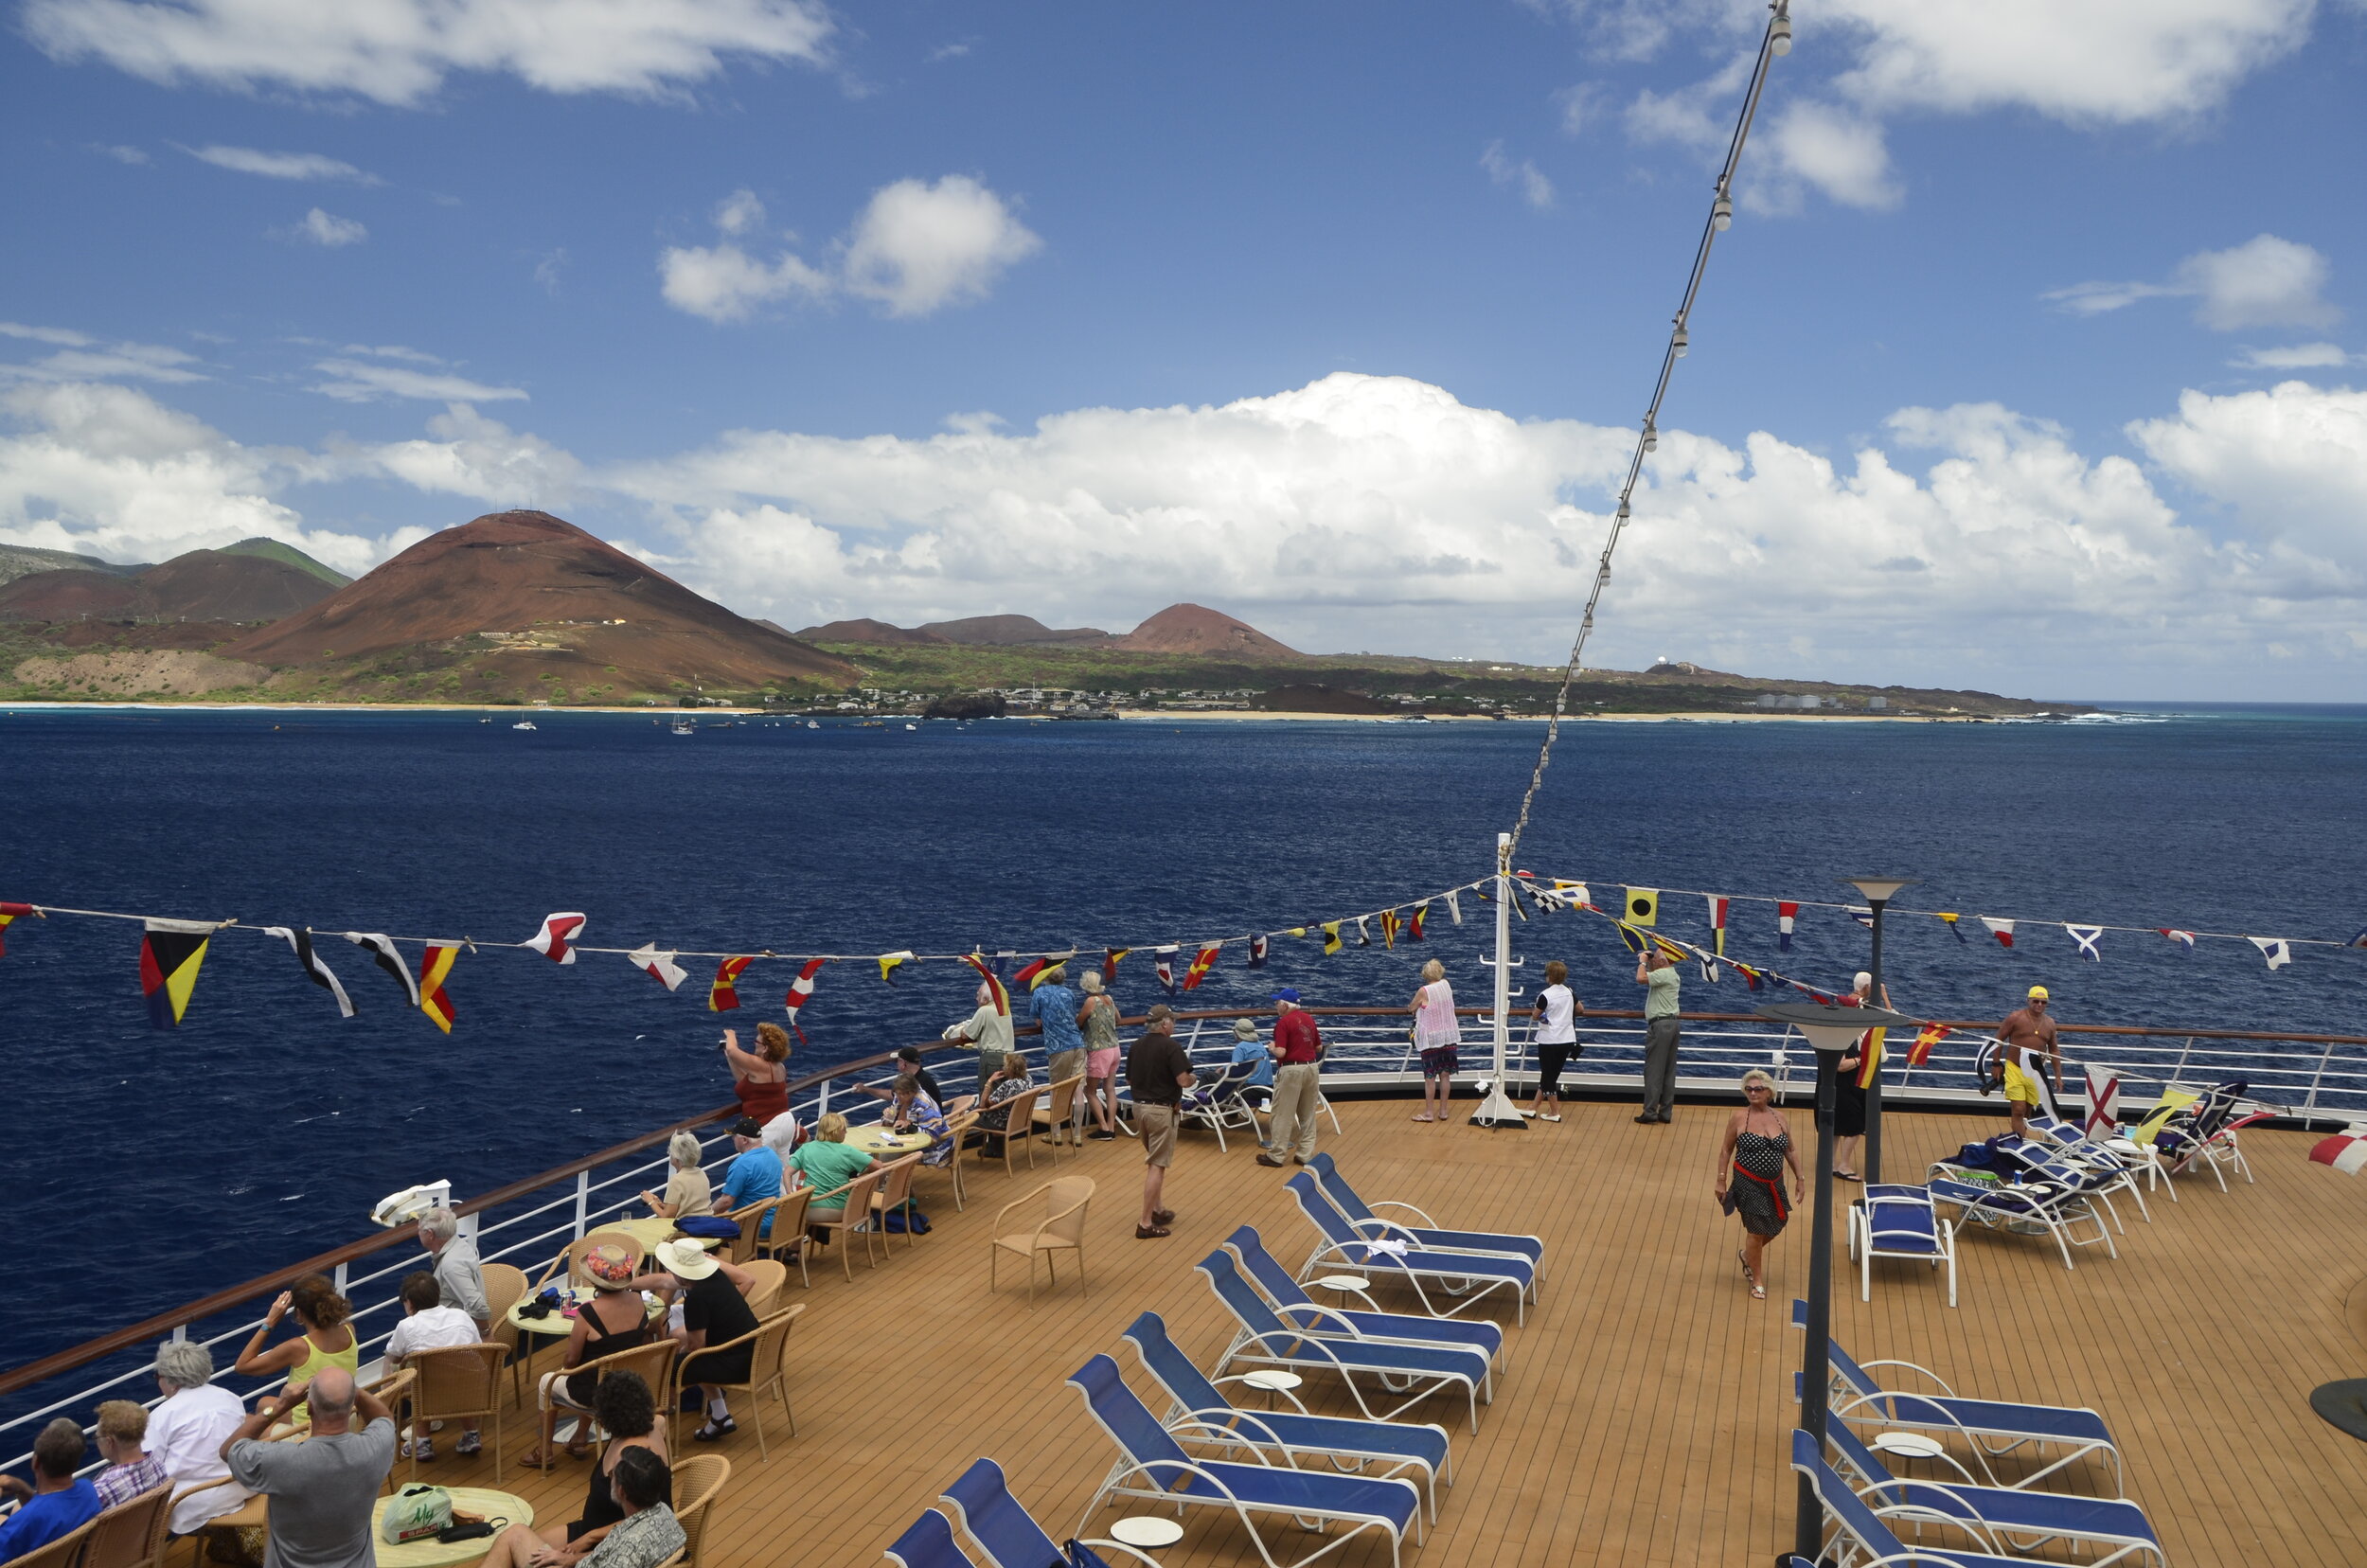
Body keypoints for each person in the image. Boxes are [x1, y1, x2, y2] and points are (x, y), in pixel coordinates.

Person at [219, 1366, 396, 1568]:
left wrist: (280, 1406)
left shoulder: (280, 1461)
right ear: (351, 1406)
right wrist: (354, 1392)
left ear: (309, 1408)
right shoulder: (374, 1450)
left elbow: (228, 1450)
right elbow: (384, 1418)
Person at [525, 1243, 650, 1469]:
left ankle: (545, 1451)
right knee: (592, 1372)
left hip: (598, 1392)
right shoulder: (638, 1301)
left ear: (595, 1279)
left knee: (547, 1381)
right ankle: (580, 1437)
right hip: (629, 1385)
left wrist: (565, 1370)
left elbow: (571, 1361)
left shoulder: (588, 1312)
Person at [477, 1448, 680, 1568]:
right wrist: (570, 1559)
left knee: (513, 1536)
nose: (609, 1476)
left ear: (622, 1492)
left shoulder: (630, 1546)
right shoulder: (662, 1511)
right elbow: (609, 1555)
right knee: (517, 1534)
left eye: (612, 1475)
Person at [539, 1372, 667, 1559]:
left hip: (611, 1543)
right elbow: (660, 1421)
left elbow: (644, 1520)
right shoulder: (652, 1426)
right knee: (523, 1541)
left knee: (520, 1546)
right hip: (589, 1530)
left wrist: (591, 1537)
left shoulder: (630, 1458)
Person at [649, 1239, 760, 1443]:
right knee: (686, 1360)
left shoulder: (696, 1299)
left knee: (667, 1369)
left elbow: (696, 1347)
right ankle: (720, 1416)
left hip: (735, 1363)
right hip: (751, 1352)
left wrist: (675, 1355)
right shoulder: (717, 1277)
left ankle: (656, 1426)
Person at [1715, 1070, 1805, 1302]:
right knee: (1755, 1231)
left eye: (1758, 1089)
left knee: (1779, 1221)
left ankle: (1748, 1255)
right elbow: (1726, 1150)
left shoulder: (1779, 1117)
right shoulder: (1739, 1118)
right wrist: (1721, 1179)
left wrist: (1800, 1178)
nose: (1753, 1093)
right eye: (1749, 1089)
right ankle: (1757, 1279)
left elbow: (1790, 1150)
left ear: (1769, 1092)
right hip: (1747, 1182)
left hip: (1774, 1182)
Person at [147, 1340, 250, 1536]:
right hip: (242, 1486)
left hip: (192, 1503)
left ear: (171, 1381)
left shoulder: (162, 1415)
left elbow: (149, 1469)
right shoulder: (230, 1398)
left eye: (157, 1376)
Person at [232, 1275, 358, 1432]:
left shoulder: (299, 1347)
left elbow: (242, 1366)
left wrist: (270, 1322)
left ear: (299, 1314)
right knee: (264, 1403)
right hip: (344, 1417)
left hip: (309, 1428)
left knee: (246, 1422)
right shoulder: (349, 1329)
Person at [383, 1273, 484, 1461]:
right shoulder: (461, 1316)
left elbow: (393, 1357)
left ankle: (420, 1439)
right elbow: (478, 1347)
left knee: (404, 1369)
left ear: (410, 1303)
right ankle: (471, 1434)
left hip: (429, 1393)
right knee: (454, 1372)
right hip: (469, 1388)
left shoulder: (407, 1325)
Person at [1129, 1005, 1195, 1239]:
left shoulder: (1136, 1046)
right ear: (1165, 1024)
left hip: (1139, 1109)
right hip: (1160, 1111)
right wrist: (1193, 1077)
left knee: (1153, 1160)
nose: (1174, 1025)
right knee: (1157, 1164)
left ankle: (1158, 1209)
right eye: (1172, 1021)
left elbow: (1130, 1079)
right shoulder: (1171, 1047)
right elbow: (1183, 1080)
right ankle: (1145, 1223)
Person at [0, 1419, 100, 1562]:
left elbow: (35, 1515)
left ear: (36, 1462)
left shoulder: (26, 1521)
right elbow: (42, 1508)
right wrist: (22, 1489)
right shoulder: (88, 1490)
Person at [1831, 971, 1895, 1182]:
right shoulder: (1863, 1005)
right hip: (1855, 1069)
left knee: (1837, 1123)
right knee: (1856, 1123)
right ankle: (1843, 1165)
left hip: (1844, 1070)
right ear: (1868, 988)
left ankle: (1831, 1162)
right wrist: (1883, 995)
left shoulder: (1846, 1003)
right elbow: (1890, 1017)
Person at [1257, 989, 1326, 1167]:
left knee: (1282, 1114)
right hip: (1311, 1068)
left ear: (1285, 1005)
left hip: (1291, 1070)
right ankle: (1305, 1155)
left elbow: (1281, 1052)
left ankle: (1276, 1155)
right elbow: (1318, 1047)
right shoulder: (1309, 1019)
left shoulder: (1284, 1023)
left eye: (1277, 1003)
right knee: (1307, 1114)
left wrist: (1272, 1047)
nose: (1276, 1006)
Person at [1998, 985, 2064, 1137]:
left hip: (2035, 1072)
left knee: (2027, 1111)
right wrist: (1995, 1064)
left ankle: (2020, 1137)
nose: (2039, 1005)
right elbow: (1999, 1040)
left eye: (2043, 1002)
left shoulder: (2050, 1023)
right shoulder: (2015, 1017)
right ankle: (2017, 1141)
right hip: (2014, 1067)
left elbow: (2054, 1050)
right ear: (2028, 1000)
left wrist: (2058, 1076)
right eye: (2036, 1001)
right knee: (2018, 1109)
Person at [785, 1113, 874, 1225]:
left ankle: (804, 1235)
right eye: (844, 1129)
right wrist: (862, 1175)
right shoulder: (847, 1151)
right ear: (835, 1131)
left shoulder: (806, 1148)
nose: (846, 1132)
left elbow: (787, 1173)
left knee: (790, 1216)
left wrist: (790, 1195)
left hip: (808, 1208)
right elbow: (879, 1166)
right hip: (838, 1211)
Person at [418, 1206, 491, 1335]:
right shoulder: (460, 1245)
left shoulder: (450, 1265)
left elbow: (479, 1307)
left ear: (430, 1234)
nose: (418, 1233)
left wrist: (485, 1334)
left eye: (419, 1230)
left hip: (455, 1334)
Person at [711, 1116, 784, 1240]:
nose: (733, 1139)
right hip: (773, 1220)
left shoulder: (742, 1164)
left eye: (734, 1136)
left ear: (744, 1140)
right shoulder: (772, 1155)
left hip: (752, 1224)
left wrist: (708, 1213)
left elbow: (726, 1201)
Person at [1529, 959, 1582, 1123]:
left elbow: (1535, 1015)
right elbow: (1580, 1009)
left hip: (1549, 1040)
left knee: (1548, 1077)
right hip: (1566, 1039)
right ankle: (1533, 1108)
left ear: (1549, 976)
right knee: (1550, 1075)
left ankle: (1554, 1112)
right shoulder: (1569, 992)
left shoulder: (1545, 995)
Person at [1409, 959, 1459, 1124]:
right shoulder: (1446, 985)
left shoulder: (1424, 991)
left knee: (1430, 1077)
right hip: (1448, 1036)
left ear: (1426, 974)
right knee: (1445, 1076)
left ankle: (1429, 1113)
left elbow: (1411, 1007)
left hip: (1431, 1039)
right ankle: (1443, 1112)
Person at [91, 1400, 168, 1508]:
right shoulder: (157, 1464)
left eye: (97, 1437)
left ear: (109, 1442)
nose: (97, 1442)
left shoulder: (104, 1489)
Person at [1635, 949, 1682, 1124]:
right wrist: (1650, 960)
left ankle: (1649, 1112)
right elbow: (1652, 973)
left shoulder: (1663, 974)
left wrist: (1642, 961)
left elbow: (1641, 978)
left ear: (1662, 961)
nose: (1652, 960)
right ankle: (1665, 1112)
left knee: (1654, 1071)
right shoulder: (1671, 974)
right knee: (1668, 1072)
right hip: (1672, 1025)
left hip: (1660, 1026)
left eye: (1654, 958)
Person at [1074, 970, 1121, 1140]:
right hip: (1115, 1048)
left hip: (1099, 1050)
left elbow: (1079, 1022)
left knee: (1090, 1091)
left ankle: (1104, 1128)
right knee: (1110, 1089)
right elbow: (1118, 1019)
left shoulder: (1090, 1001)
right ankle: (1111, 1127)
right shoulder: (1109, 999)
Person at [944, 982, 1016, 1092]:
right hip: (1009, 1057)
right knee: (1005, 1093)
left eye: (978, 995)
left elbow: (966, 1035)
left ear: (985, 999)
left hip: (992, 1059)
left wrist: (961, 1029)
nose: (976, 998)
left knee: (988, 1092)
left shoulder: (983, 1011)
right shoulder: (1005, 1010)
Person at [720, 1023, 791, 1125]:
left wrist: (730, 1034)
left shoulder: (760, 1065)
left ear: (765, 1048)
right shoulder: (779, 1067)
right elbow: (745, 1082)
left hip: (768, 1126)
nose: (754, 1043)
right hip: (783, 1122)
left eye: (756, 1041)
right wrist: (729, 1057)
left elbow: (732, 1050)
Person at [639, 1131, 712, 1220]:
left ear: (677, 1159)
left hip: (689, 1225)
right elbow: (690, 1208)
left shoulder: (677, 1180)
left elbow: (667, 1217)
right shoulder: (701, 1173)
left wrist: (650, 1201)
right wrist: (661, 1205)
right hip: (706, 1221)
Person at [883, 1077, 952, 1167]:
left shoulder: (924, 1106)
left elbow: (933, 1136)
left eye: (900, 1094)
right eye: (896, 1093)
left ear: (911, 1093)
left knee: (887, 1156)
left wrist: (909, 1126)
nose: (897, 1097)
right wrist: (888, 1118)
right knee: (881, 1148)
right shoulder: (900, 1097)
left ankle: (888, 1174)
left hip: (935, 1148)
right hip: (908, 1139)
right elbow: (890, 1123)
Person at [974, 1051, 1036, 1148]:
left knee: (969, 1118)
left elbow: (983, 1104)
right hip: (1020, 1121)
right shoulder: (1028, 1079)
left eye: (1005, 1066)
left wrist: (990, 1081)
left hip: (1003, 1123)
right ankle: (997, 1149)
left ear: (1009, 1069)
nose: (1003, 1067)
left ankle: (954, 1148)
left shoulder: (1009, 1085)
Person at [858, 1047, 946, 1111]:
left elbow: (893, 1096)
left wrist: (866, 1089)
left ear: (903, 1064)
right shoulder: (925, 1078)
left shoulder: (914, 1084)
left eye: (897, 1061)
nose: (896, 1063)